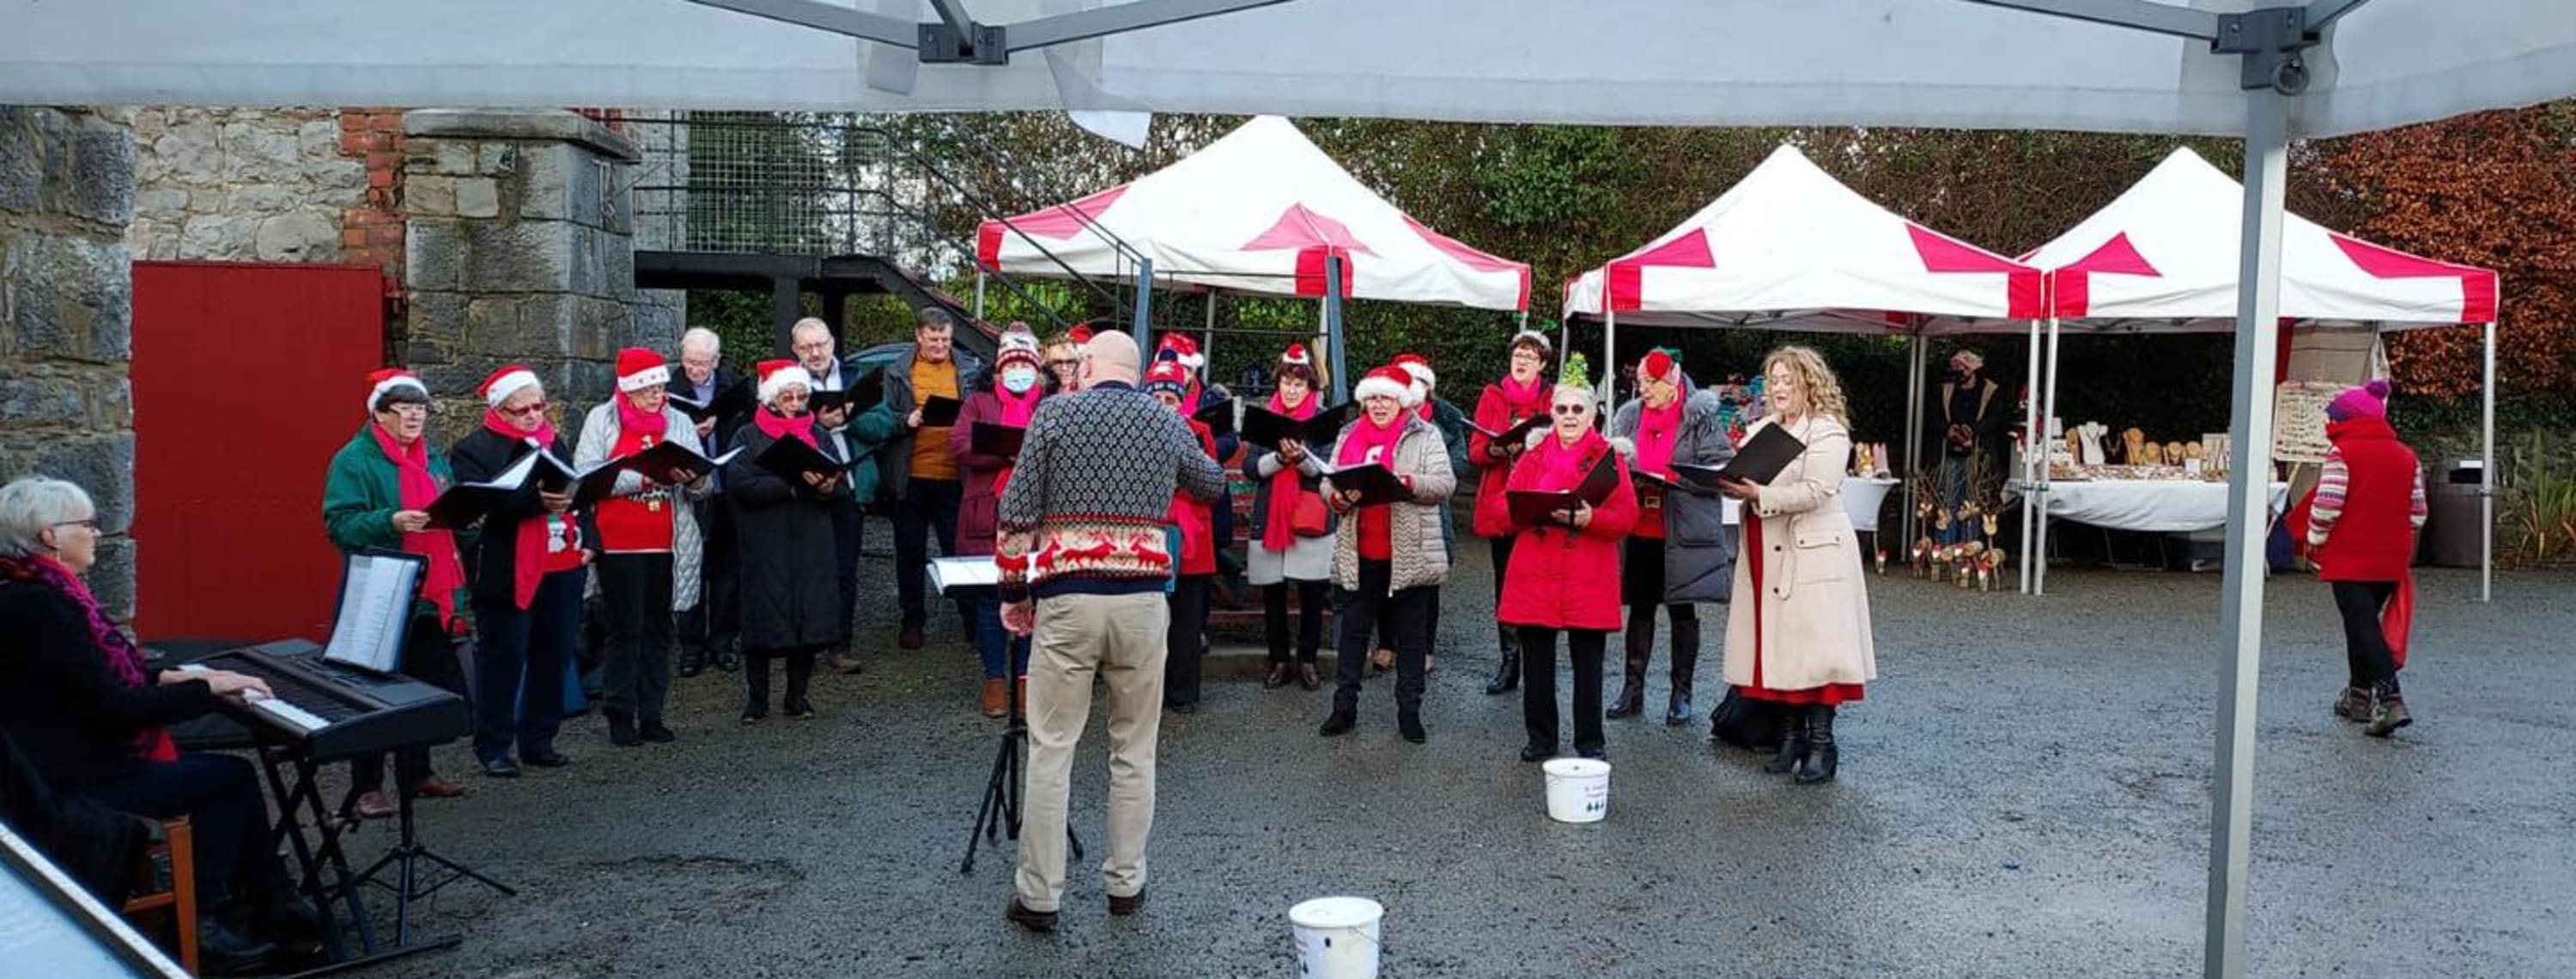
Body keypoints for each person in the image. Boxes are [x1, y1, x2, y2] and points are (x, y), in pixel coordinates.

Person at [0, 477, 319, 975]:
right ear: (49, 536)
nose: (98, 535)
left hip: (63, 760)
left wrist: (174, 674)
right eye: (86, 524)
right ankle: (208, 923)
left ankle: (274, 907)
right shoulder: (42, 606)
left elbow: (98, 669)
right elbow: (114, 707)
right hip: (71, 781)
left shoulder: (32, 593)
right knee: (227, 780)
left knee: (221, 776)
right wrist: (205, 690)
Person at [993, 330, 1229, 933]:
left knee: (1052, 748)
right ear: (1137, 372)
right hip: (1143, 601)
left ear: (1089, 364)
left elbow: (1016, 512)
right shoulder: (1164, 419)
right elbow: (1212, 483)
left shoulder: (1054, 414)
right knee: (1134, 749)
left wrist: (1016, 593)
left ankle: (1040, 896)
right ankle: (1126, 884)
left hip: (1069, 599)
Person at [1714, 345, 1877, 785]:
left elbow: (1817, 490)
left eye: (1788, 380)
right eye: (1773, 380)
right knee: (1779, 647)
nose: (1779, 388)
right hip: (1766, 546)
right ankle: (1790, 738)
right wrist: (1729, 486)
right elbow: (1744, 474)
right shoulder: (1762, 427)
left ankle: (1822, 745)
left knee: (1817, 652)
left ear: (1809, 383)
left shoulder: (1828, 431)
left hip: (1812, 549)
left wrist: (1757, 495)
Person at [323, 369, 471, 816]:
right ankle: (366, 786)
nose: (414, 417)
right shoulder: (353, 461)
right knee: (374, 688)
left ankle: (417, 771)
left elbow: (449, 503)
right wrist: (390, 521)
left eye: (420, 409)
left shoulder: (434, 458)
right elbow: (340, 523)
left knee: (421, 685)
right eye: (403, 409)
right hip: (383, 588)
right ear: (379, 414)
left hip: (430, 588)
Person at [1488, 358, 1638, 762]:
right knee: (1537, 665)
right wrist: (1522, 510)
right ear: (1551, 412)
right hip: (1536, 571)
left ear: (1592, 414)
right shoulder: (1532, 457)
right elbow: (1500, 509)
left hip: (1586, 573)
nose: (1569, 417)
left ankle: (1590, 743)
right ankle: (1541, 739)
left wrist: (1592, 518)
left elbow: (1627, 516)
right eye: (1561, 409)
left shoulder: (1611, 458)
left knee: (1588, 667)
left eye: (1578, 409)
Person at [449, 365, 594, 777]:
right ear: (500, 409)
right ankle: (493, 745)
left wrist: (590, 537)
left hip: (561, 561)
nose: (534, 415)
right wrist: (537, 502)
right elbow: (483, 505)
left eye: (539, 406)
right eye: (522, 410)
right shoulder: (473, 449)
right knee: (503, 659)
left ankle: (540, 739)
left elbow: (575, 490)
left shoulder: (553, 441)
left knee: (554, 653)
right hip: (506, 568)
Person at [574, 348, 712, 747]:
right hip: (619, 544)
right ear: (630, 390)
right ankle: (619, 712)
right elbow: (587, 478)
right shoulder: (602, 419)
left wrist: (692, 480)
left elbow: (703, 483)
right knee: (624, 630)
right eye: (649, 389)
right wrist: (644, 477)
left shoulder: (679, 421)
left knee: (659, 630)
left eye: (661, 388)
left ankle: (652, 712)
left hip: (667, 541)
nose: (657, 396)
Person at [1318, 365, 1457, 744]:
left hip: (1409, 552)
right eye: (1372, 398)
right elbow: (1328, 479)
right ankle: (1344, 708)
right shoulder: (1349, 433)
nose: (1379, 405)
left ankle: (1409, 712)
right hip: (1359, 550)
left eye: (1386, 398)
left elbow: (1446, 484)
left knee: (1411, 638)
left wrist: (1407, 483)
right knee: (1353, 633)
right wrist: (1336, 496)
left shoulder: (1425, 434)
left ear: (1402, 400)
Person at [1606, 349, 1736, 726]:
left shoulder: (1700, 418)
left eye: (1651, 383)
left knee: (1682, 608)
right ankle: (1632, 689)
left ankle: (1682, 692)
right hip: (1641, 525)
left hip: (1682, 527)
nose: (1644, 389)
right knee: (1641, 606)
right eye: (1641, 382)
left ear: (1672, 381)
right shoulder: (1630, 416)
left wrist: (1676, 480)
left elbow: (1719, 467)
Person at [725, 360, 849, 723]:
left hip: (811, 537)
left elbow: (839, 483)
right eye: (788, 396)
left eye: (801, 396)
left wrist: (828, 487)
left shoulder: (819, 435)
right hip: (765, 540)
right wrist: (790, 485)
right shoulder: (747, 435)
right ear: (772, 399)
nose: (796, 402)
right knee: (762, 615)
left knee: (807, 618)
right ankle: (757, 700)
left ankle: (798, 697)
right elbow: (739, 482)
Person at [2301, 379, 2426, 737]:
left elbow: (2327, 505)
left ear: (2345, 420)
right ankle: (2357, 695)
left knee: (2362, 626)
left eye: (2333, 416)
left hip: (2349, 555)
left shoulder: (2343, 454)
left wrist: (2314, 537)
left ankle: (2389, 699)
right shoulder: (2407, 455)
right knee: (2363, 622)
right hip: (2391, 557)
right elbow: (2418, 513)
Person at [790, 318, 902, 675]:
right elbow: (774, 430)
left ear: (832, 342)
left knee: (845, 571)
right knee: (802, 568)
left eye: (820, 344)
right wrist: (814, 423)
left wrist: (850, 419)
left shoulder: (856, 377)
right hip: (803, 487)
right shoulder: (786, 384)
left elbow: (885, 425)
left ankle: (840, 644)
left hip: (849, 487)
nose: (816, 352)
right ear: (796, 351)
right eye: (806, 347)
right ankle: (802, 645)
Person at [951, 326, 1047, 718]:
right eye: (1012, 367)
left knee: (1033, 599)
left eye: (1026, 367)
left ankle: (1025, 678)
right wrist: (1005, 454)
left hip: (1038, 518)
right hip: (987, 513)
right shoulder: (977, 404)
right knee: (992, 601)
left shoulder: (1052, 405)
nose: (1019, 374)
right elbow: (960, 445)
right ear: (998, 373)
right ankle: (994, 679)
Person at [884, 307, 987, 651]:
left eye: (945, 338)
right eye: (933, 339)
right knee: (910, 551)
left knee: (958, 551)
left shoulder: (967, 369)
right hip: (910, 474)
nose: (940, 345)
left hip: (954, 475)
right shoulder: (898, 371)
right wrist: (905, 420)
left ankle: (971, 621)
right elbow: (884, 417)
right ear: (919, 336)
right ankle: (912, 619)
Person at [1467, 328, 1555, 695]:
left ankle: (1537, 661)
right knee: (1504, 584)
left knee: (1537, 582)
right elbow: (1475, 451)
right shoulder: (1493, 397)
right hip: (1502, 500)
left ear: (1542, 365)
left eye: (1530, 356)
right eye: (1518, 354)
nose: (1521, 361)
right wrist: (1498, 451)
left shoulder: (1553, 400)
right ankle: (1509, 663)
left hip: (1537, 500)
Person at [1247, 344, 1334, 690]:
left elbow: (1327, 470)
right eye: (1287, 382)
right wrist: (1280, 460)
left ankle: (1308, 659)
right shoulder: (1264, 417)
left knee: (1312, 595)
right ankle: (1279, 659)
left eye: (1299, 384)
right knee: (1274, 595)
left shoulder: (1323, 420)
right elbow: (1251, 467)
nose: (1292, 389)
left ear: (1310, 386)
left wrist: (1300, 459)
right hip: (1271, 515)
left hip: (1309, 517)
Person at [1382, 354, 1471, 677]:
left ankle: (1425, 647)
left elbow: (1460, 463)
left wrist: (1428, 470)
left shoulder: (1447, 422)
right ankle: (1388, 643)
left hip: (1431, 508)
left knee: (1427, 583)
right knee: (1389, 578)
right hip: (1391, 508)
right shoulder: (1385, 414)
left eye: (1418, 381)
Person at [1142, 358, 1223, 713]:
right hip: (1150, 533)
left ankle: (1183, 692)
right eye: (1156, 398)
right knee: (1146, 620)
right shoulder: (1135, 433)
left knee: (1186, 621)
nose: (1163, 406)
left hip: (1191, 536)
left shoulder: (1199, 431)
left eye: (1170, 400)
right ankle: (1147, 693)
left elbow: (1210, 482)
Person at [676, 327, 749, 678]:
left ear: (716, 361)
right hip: (688, 493)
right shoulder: (671, 389)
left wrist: (723, 422)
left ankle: (722, 642)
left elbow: (749, 429)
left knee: (727, 573)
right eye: (690, 363)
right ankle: (691, 645)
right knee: (690, 570)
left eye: (703, 364)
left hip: (726, 489)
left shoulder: (734, 386)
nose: (695, 371)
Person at [1929, 349, 2008, 544]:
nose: (1958, 373)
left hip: (1978, 454)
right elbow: (1933, 417)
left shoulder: (1991, 390)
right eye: (1955, 368)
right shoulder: (1945, 389)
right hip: (1949, 452)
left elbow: (1995, 419)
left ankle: (1968, 547)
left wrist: (1971, 431)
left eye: (1963, 369)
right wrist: (1950, 430)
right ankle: (1945, 547)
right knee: (1948, 498)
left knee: (1973, 501)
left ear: (1973, 369)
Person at [1042, 325, 1089, 394]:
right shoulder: (1039, 394)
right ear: (1048, 365)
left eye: (1070, 362)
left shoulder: (1087, 391)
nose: (1064, 368)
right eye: (1058, 363)